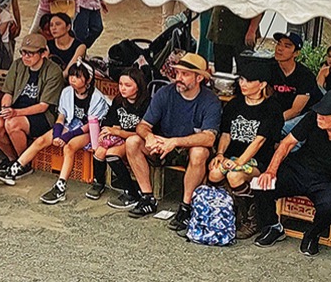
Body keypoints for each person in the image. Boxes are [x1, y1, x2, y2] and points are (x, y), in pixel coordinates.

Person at [123, 53, 221, 231]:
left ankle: (186, 207)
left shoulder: (210, 100)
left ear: (199, 78)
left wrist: (175, 142)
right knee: (132, 142)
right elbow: (143, 125)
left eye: (185, 74)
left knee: (199, 152)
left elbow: (209, 137)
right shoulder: (165, 93)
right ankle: (147, 197)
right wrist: (149, 137)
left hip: (187, 147)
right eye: (177, 73)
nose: (178, 78)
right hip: (163, 144)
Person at [0, 61, 110, 203]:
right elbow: (61, 117)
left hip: (89, 130)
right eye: (71, 76)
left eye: (78, 76)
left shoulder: (97, 97)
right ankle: (15, 168)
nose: (72, 79)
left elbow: (89, 125)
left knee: (69, 147)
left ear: (88, 80)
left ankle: (60, 187)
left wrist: (66, 136)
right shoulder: (67, 92)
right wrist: (57, 134)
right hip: (70, 124)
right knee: (41, 140)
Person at [252, 90, 331, 257]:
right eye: (319, 112)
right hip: (299, 168)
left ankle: (312, 234)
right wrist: (271, 171)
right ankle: (272, 227)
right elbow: (287, 143)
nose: (320, 117)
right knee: (262, 184)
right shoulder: (313, 117)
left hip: (327, 180)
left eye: (325, 114)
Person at [209, 64, 281, 239]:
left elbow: (259, 141)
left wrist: (239, 162)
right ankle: (231, 211)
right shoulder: (234, 104)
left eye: (248, 81)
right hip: (232, 156)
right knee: (214, 174)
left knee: (235, 176)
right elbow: (226, 134)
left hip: (259, 160)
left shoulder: (272, 108)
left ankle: (252, 218)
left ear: (262, 84)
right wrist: (220, 154)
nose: (243, 84)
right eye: (241, 79)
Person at [0, 33, 64, 179]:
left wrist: (15, 113)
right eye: (23, 52)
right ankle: (12, 159)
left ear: (43, 53)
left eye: (30, 53)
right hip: (16, 110)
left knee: (12, 124)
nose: (25, 57)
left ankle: (23, 164)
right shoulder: (18, 65)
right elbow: (8, 92)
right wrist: (5, 107)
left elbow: (43, 106)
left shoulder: (53, 71)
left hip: (42, 116)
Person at [96, 68, 151, 207]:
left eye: (128, 85)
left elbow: (145, 134)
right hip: (121, 138)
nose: (123, 88)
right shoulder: (119, 100)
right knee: (102, 152)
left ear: (138, 86)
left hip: (140, 142)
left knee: (112, 153)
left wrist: (118, 132)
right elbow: (110, 121)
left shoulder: (147, 104)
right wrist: (106, 132)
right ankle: (103, 184)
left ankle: (133, 192)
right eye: (120, 84)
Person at [267, 31, 321, 133]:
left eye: (287, 46)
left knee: (280, 130)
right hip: (280, 111)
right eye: (279, 43)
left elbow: (296, 111)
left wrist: (271, 122)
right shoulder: (270, 68)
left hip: (306, 114)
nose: (280, 48)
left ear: (296, 53)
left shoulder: (305, 75)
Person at [206, 6, 261, 75]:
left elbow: (259, 7)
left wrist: (252, 30)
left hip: (242, 33)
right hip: (220, 33)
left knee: (245, 72)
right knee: (221, 72)